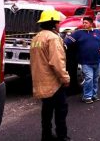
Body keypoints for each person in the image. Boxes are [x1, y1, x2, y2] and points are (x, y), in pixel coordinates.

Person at [30, 9, 71, 141]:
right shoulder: (53, 38)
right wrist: (65, 78)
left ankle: (46, 136)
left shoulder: (37, 37)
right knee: (61, 110)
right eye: (58, 23)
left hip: (41, 81)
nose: (59, 25)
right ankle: (62, 136)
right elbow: (57, 62)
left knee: (46, 111)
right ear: (53, 23)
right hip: (54, 83)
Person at [64, 16, 100, 104]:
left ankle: (94, 95)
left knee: (95, 79)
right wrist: (63, 46)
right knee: (89, 78)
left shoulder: (98, 32)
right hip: (85, 62)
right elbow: (68, 41)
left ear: (91, 24)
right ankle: (87, 96)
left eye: (86, 23)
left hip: (98, 61)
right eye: (83, 23)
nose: (84, 24)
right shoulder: (78, 33)